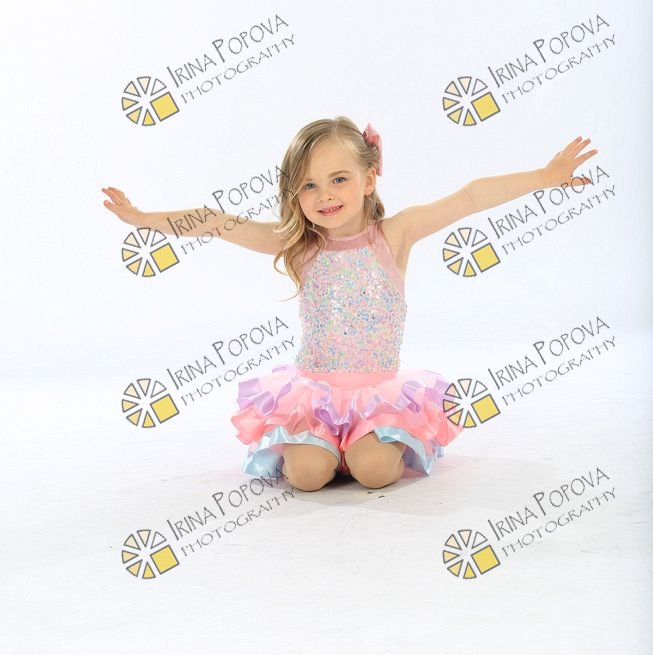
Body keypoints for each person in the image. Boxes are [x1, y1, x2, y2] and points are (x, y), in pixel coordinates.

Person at [102, 115, 597, 493]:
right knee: (306, 477)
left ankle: (364, 445)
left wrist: (544, 176)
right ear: (295, 193)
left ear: (369, 178)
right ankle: (321, 446)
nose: (325, 195)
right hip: (314, 396)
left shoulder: (394, 236)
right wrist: (144, 218)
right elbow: (215, 222)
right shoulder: (298, 245)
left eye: (339, 179)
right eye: (309, 185)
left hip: (377, 395)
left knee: (375, 472)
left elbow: (468, 198)